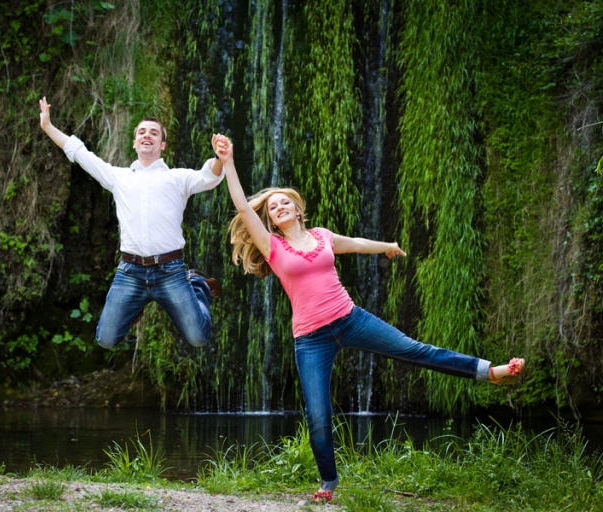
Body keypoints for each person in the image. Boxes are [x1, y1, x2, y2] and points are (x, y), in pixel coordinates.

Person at [211, 133, 525, 503]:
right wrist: (229, 162)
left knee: (415, 350)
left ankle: (490, 372)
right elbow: (243, 208)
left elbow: (356, 244)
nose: (278, 207)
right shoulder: (272, 246)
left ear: (297, 210)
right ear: (272, 219)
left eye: (285, 202)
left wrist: (387, 246)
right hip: (310, 339)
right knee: (318, 414)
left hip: (350, 319)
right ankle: (328, 483)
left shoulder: (323, 236)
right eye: (273, 207)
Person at [39, 96, 224, 349]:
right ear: (134, 142)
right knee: (106, 340)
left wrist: (219, 156)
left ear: (162, 144)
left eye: (154, 133)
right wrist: (48, 126)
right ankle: (135, 304)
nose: (147, 135)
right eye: (142, 132)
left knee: (198, 337)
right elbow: (80, 154)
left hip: (170, 271)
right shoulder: (119, 177)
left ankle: (198, 283)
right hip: (131, 272)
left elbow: (209, 177)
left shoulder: (177, 178)